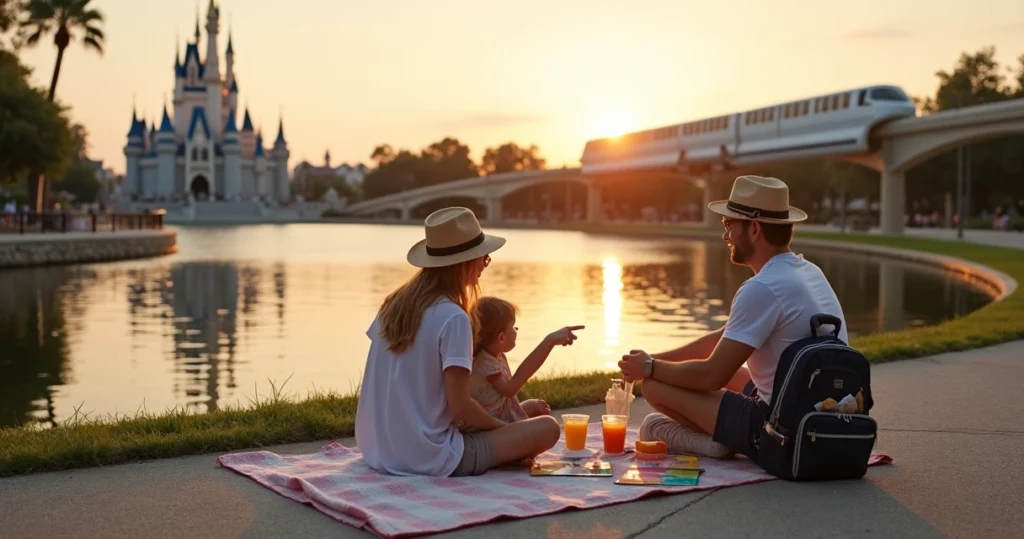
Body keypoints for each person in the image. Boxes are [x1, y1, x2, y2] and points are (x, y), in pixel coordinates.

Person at [618, 175, 848, 461]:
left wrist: (651, 369)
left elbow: (712, 376)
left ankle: (718, 441)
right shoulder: (807, 271)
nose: (725, 235)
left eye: (729, 225)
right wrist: (652, 359)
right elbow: (723, 339)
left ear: (753, 229)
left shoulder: (762, 287)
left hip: (780, 429)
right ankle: (722, 429)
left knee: (655, 386)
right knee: (716, 376)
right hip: (821, 410)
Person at [355, 207, 561, 477]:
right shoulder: (454, 317)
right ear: (467, 262)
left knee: (528, 414)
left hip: (377, 449)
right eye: (484, 259)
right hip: (429, 456)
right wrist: (505, 431)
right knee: (548, 428)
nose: (483, 267)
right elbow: (461, 407)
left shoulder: (394, 304)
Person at [461, 296, 584, 430]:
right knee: (549, 426)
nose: (516, 330)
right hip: (491, 428)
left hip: (500, 415)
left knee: (535, 407)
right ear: (501, 338)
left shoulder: (496, 356)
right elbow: (510, 389)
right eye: (513, 327)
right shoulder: (485, 364)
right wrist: (549, 342)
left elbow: (504, 399)